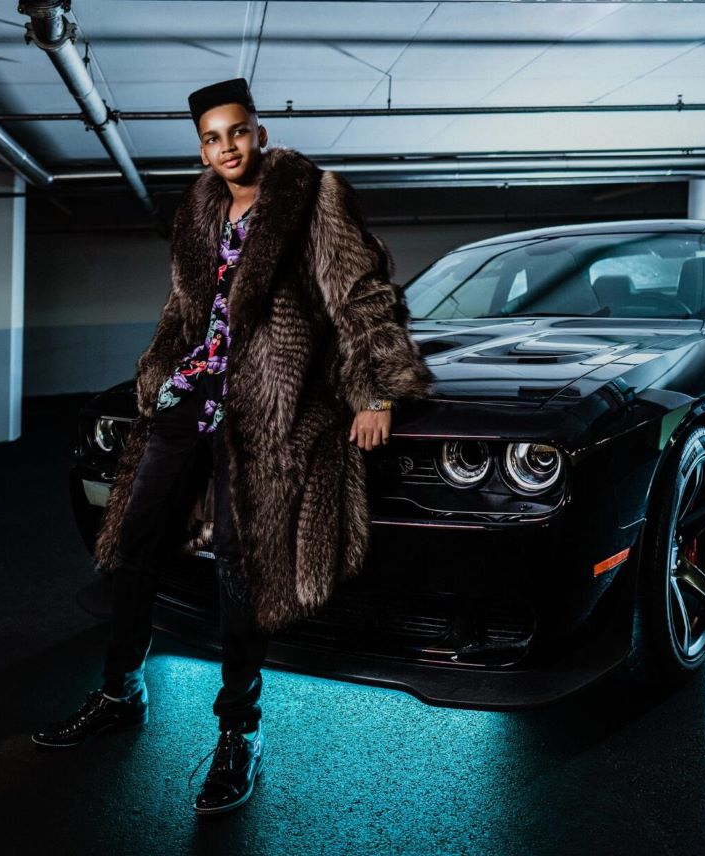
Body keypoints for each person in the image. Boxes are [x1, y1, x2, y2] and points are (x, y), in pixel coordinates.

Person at [32, 77, 433, 814]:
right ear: (202, 149)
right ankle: (120, 691)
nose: (228, 148)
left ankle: (239, 731)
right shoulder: (198, 208)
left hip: (263, 403)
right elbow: (186, 307)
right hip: (189, 396)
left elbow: (362, 293)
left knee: (240, 566)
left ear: (259, 132)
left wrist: (375, 390)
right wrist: (159, 374)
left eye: (238, 131)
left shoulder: (312, 197)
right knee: (134, 540)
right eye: (213, 138)